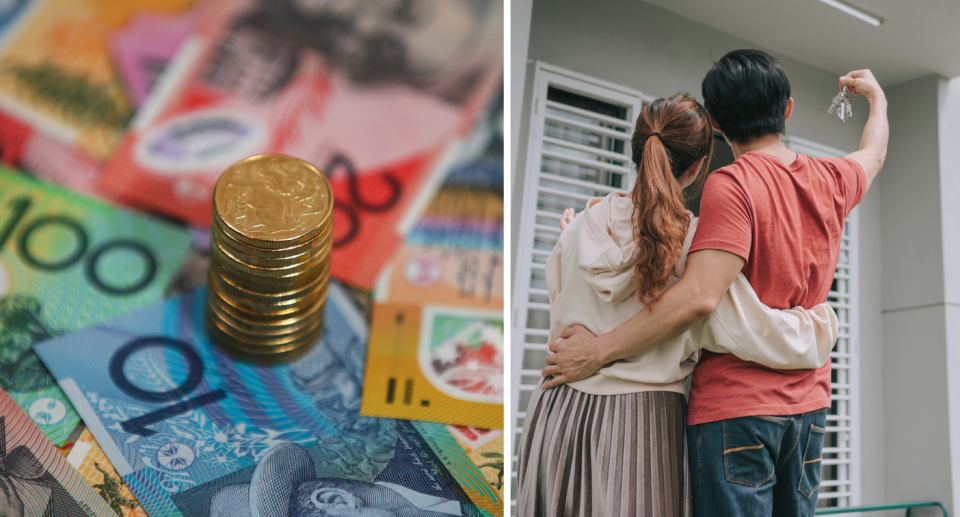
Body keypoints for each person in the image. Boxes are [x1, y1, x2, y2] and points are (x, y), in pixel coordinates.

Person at [543, 50, 887, 517]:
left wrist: (598, 350)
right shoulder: (833, 178)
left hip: (736, 411)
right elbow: (874, 153)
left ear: (718, 123)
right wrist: (877, 102)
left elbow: (699, 296)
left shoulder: (731, 184)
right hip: (809, 408)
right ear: (786, 109)